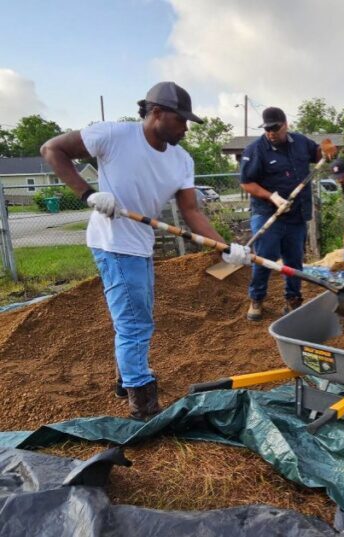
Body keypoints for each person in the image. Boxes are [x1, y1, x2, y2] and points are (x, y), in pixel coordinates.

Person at [40, 81, 252, 420]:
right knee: (135, 324)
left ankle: (125, 381)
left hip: (141, 245)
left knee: (137, 317)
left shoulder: (182, 160)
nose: (185, 128)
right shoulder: (112, 135)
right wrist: (88, 194)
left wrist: (225, 248)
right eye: (181, 120)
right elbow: (51, 149)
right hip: (113, 243)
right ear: (156, 113)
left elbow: (192, 211)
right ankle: (142, 404)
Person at [239, 107, 335, 320]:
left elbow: (319, 153)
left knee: (294, 260)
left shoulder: (300, 142)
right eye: (267, 129)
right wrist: (272, 197)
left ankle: (293, 299)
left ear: (285, 125)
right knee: (265, 257)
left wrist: (327, 147)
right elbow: (247, 183)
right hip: (267, 213)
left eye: (275, 128)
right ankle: (257, 299)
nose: (271, 133)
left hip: (295, 215)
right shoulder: (256, 150)